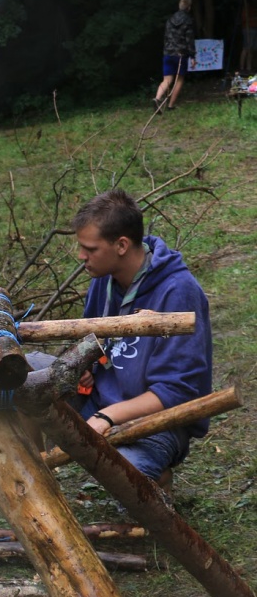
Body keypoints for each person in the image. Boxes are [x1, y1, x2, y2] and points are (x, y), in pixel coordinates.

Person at [73, 189, 212, 483]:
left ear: (121, 245)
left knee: (122, 472)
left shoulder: (178, 291)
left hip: (156, 423)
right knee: (24, 378)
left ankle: (156, 480)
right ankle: (33, 477)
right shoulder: (105, 279)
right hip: (100, 399)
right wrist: (84, 365)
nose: (81, 256)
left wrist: (107, 417)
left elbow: (179, 390)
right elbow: (90, 340)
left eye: (91, 249)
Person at [154, 0, 196, 112]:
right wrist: (192, 56)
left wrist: (166, 50)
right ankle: (171, 105)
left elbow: (166, 37)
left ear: (179, 6)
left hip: (168, 53)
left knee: (167, 79)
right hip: (180, 54)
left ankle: (157, 98)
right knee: (179, 79)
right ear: (189, 8)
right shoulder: (188, 20)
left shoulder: (170, 19)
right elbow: (189, 40)